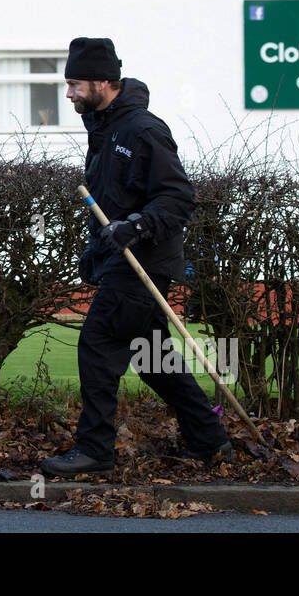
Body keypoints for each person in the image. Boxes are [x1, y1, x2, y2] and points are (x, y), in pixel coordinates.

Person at [42, 38, 231, 478]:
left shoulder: (142, 130)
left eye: (74, 84)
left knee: (97, 345)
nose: (68, 93)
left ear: (103, 82)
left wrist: (137, 227)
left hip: (144, 263)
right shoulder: (105, 127)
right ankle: (210, 440)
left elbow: (178, 196)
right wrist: (97, 252)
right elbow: (113, 201)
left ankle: (94, 451)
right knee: (153, 359)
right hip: (123, 262)